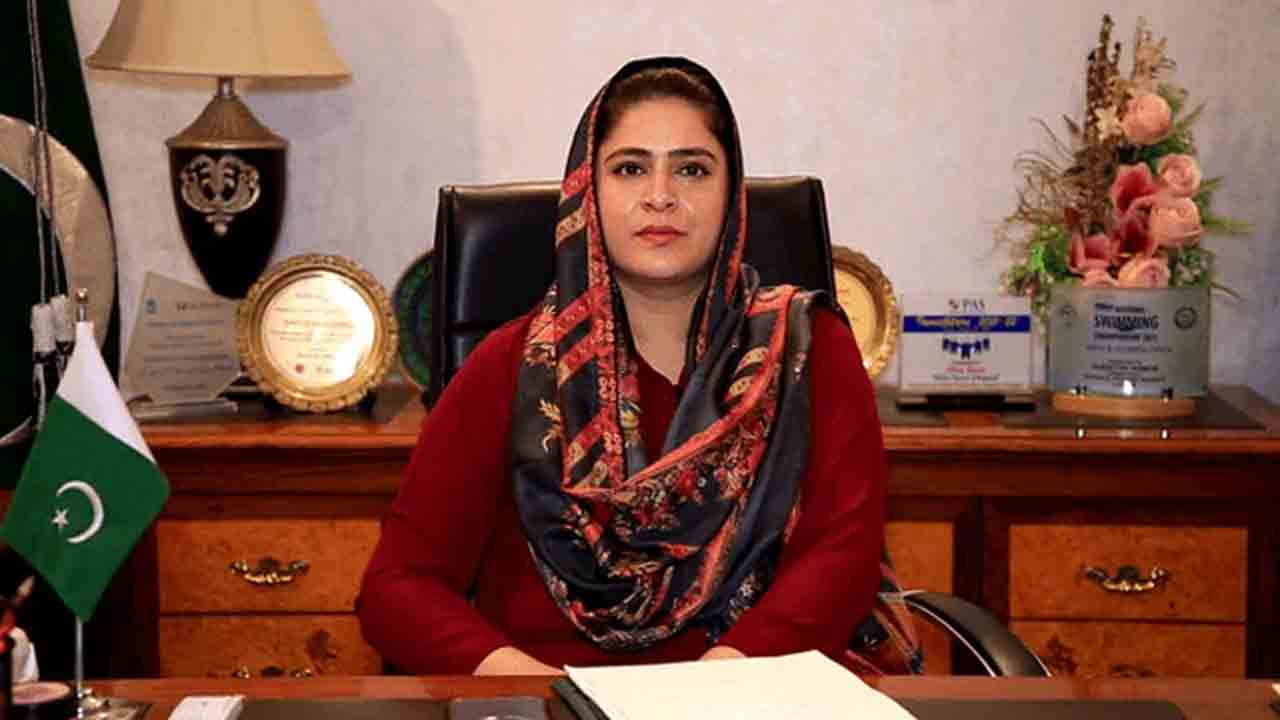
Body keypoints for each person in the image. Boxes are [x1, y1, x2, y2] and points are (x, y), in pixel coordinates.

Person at [358, 57, 908, 675]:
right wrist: (541, 689)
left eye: (692, 169)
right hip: (552, 698)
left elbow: (842, 559)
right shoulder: (507, 367)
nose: (661, 196)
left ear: (732, 194)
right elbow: (398, 587)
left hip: (753, 690)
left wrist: (715, 688)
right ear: (587, 192)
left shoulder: (808, 350)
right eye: (630, 168)